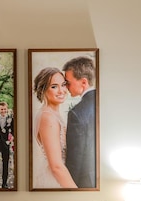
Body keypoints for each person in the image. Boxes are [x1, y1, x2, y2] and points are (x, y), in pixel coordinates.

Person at [32, 67, 78, 189]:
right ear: (43, 90)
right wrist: (78, 192)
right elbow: (56, 166)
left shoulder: (54, 114)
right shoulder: (48, 117)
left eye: (63, 85)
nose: (61, 90)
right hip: (54, 180)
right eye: (54, 86)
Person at [63, 56, 96, 189]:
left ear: (83, 82)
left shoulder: (77, 113)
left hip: (84, 182)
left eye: (68, 82)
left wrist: (70, 188)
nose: (66, 87)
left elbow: (75, 158)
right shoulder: (105, 103)